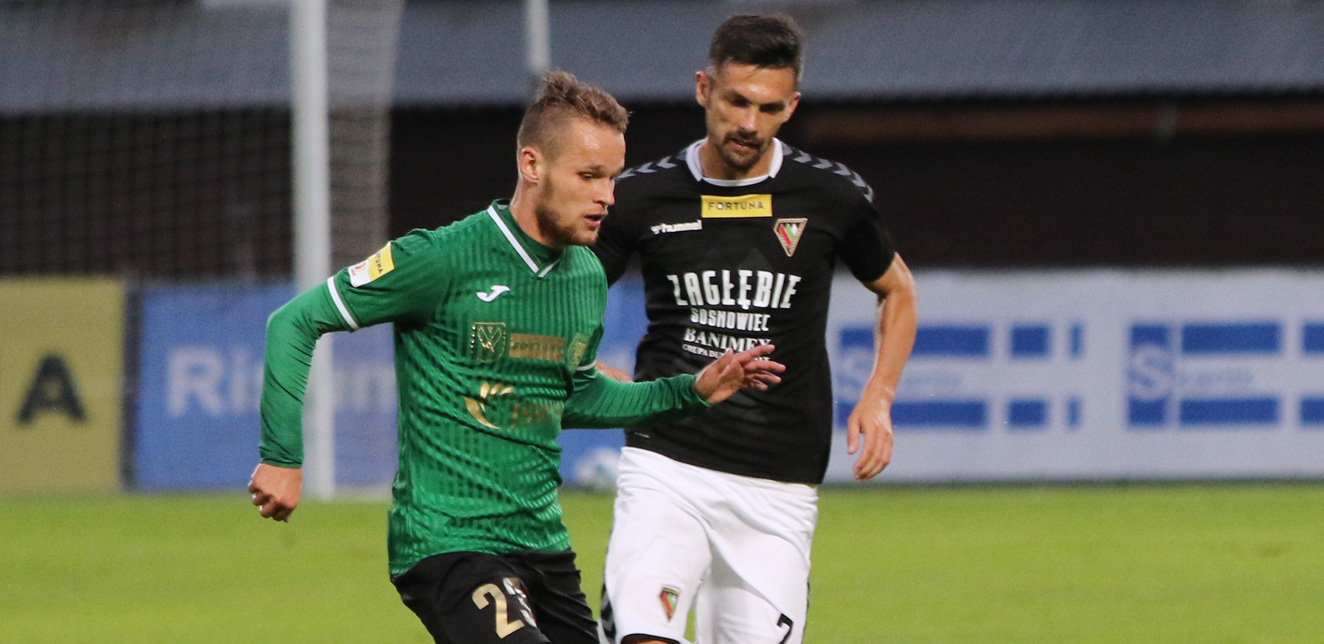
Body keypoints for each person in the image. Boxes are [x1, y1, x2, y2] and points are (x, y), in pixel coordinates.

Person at [247, 70, 785, 644]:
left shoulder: (585, 276)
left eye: (612, 178)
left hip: (542, 545)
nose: (607, 196)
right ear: (532, 165)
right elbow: (295, 321)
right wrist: (282, 457)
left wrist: (691, 392)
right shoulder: (440, 259)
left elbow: (570, 394)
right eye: (589, 176)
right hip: (450, 542)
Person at [591, 14, 918, 644]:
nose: (749, 123)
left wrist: (879, 395)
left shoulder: (831, 196)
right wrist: (585, 367)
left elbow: (897, 289)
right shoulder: (639, 197)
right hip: (666, 466)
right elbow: (567, 297)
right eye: (736, 101)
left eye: (769, 108)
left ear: (791, 106)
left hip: (778, 486)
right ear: (703, 89)